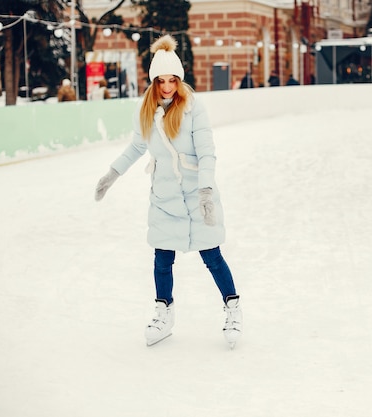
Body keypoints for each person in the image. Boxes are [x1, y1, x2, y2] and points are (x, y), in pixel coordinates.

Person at [94, 34, 242, 348]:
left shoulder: (193, 106)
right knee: (162, 257)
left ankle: (233, 309)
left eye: (172, 80)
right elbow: (136, 146)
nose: (166, 87)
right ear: (153, 81)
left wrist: (205, 190)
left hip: (196, 193)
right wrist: (113, 173)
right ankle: (164, 312)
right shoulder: (144, 109)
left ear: (179, 79)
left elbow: (206, 151)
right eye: (160, 80)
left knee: (212, 255)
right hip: (164, 196)